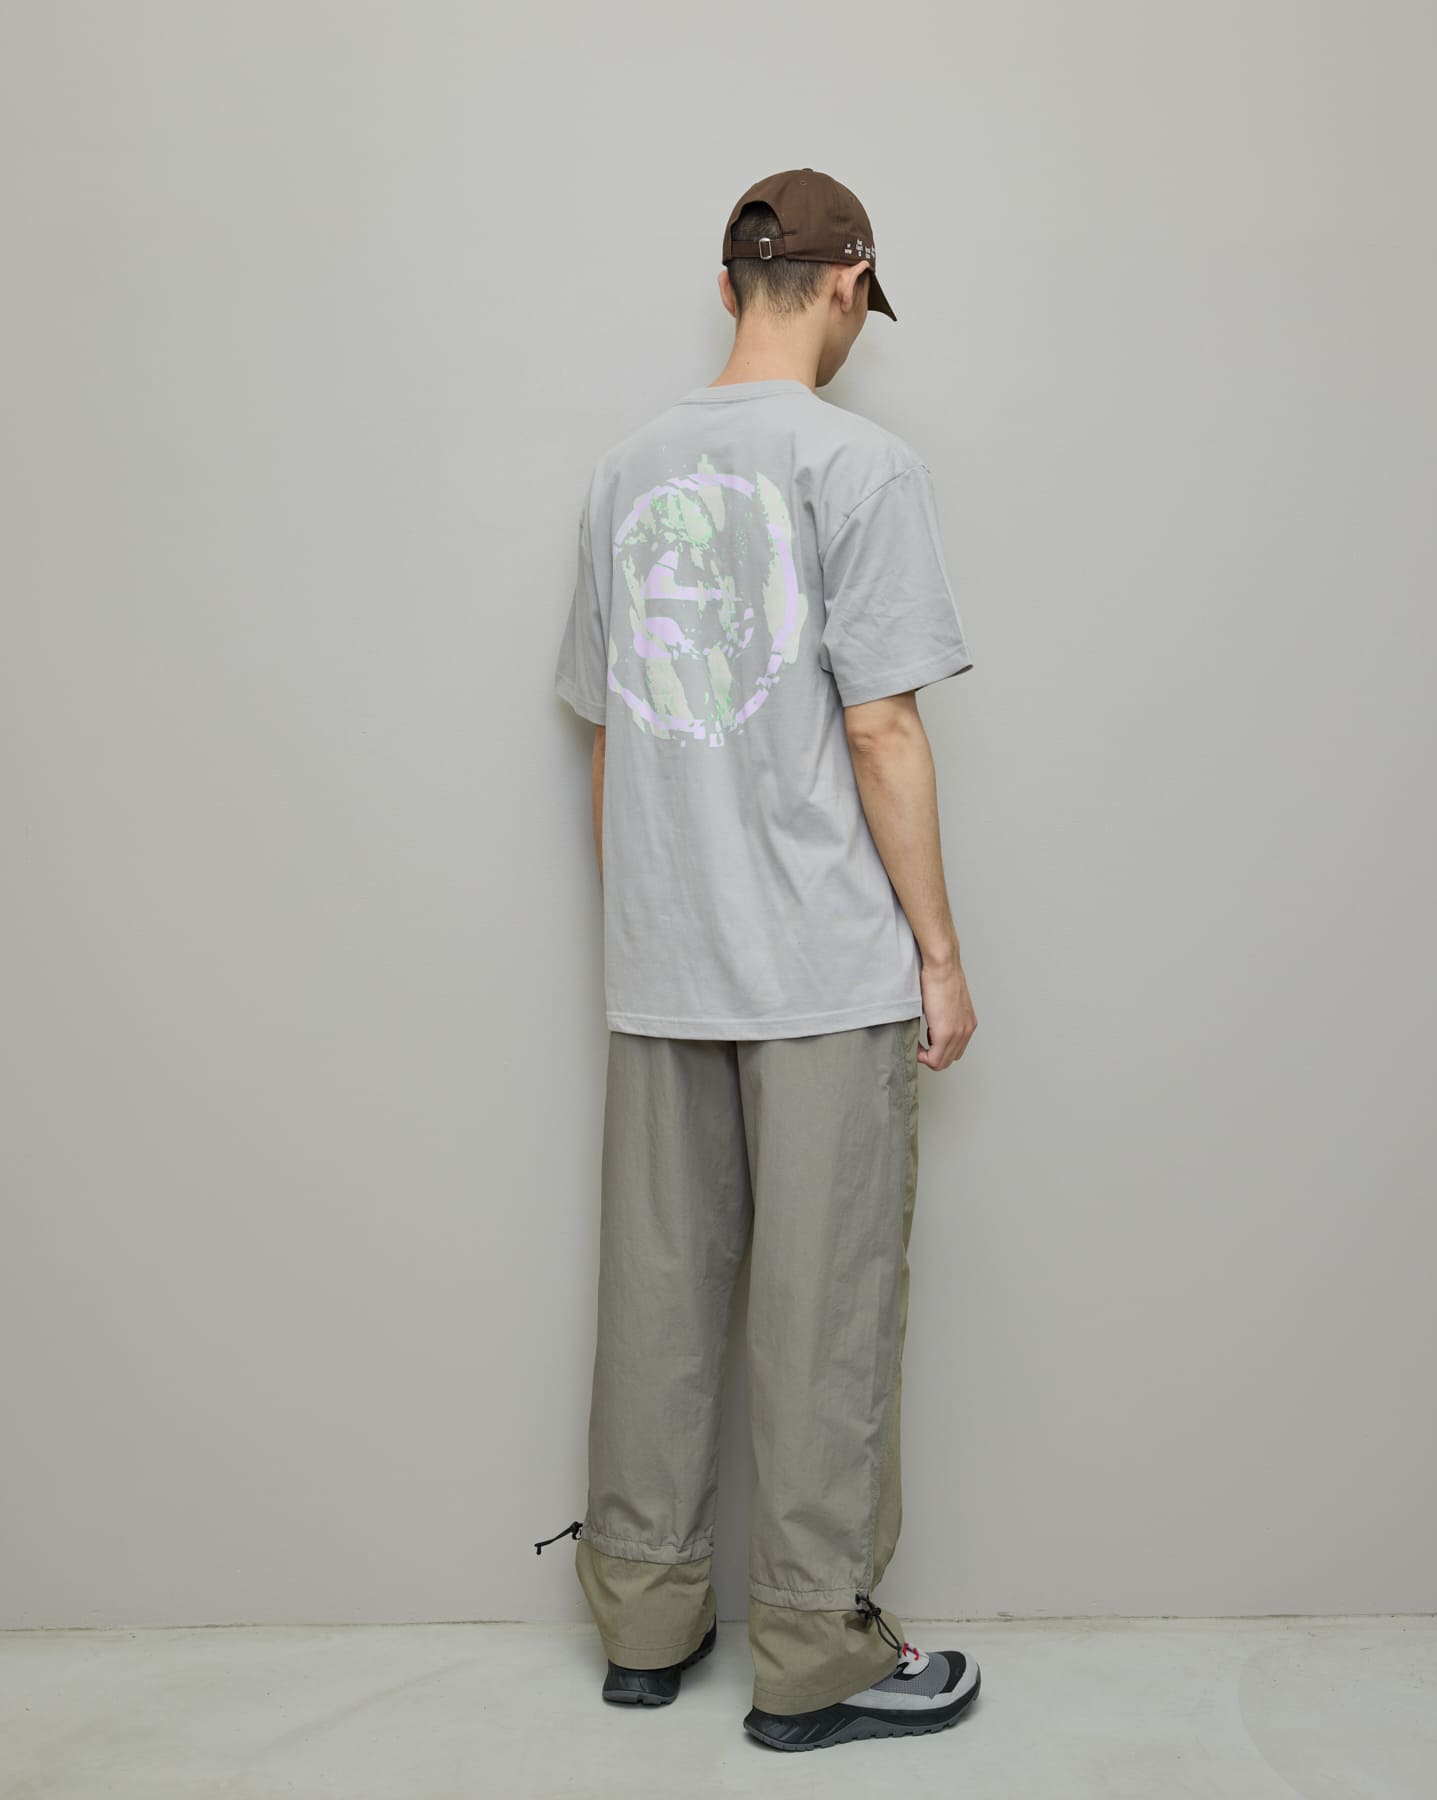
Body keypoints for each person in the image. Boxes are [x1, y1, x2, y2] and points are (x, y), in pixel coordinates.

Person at [543, 166, 981, 1753]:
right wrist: (941, 955)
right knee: (822, 1311)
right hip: (818, 968)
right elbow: (881, 727)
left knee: (658, 1302)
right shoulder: (860, 464)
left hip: (662, 966)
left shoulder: (623, 471)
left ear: (729, 285)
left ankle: (644, 1628)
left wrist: (656, 923)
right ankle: (813, 1658)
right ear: (847, 284)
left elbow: (608, 740)